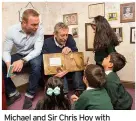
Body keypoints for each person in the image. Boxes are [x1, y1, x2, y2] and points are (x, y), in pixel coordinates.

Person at [2, 9, 44, 109]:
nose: (37, 27)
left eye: (38, 24)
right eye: (34, 25)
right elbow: (6, 51)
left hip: (34, 54)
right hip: (20, 54)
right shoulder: (12, 31)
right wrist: (9, 65)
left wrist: (22, 61)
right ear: (24, 23)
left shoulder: (40, 29)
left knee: (36, 65)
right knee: (1, 64)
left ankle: (29, 95)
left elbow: (37, 51)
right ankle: (13, 93)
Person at [42, 22, 85, 96]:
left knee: (77, 68)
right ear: (55, 34)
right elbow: (45, 61)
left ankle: (79, 90)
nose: (65, 38)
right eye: (62, 35)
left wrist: (71, 51)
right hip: (55, 68)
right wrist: (56, 72)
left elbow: (76, 54)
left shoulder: (70, 39)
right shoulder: (47, 43)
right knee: (60, 72)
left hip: (69, 66)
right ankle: (64, 93)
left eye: (66, 35)